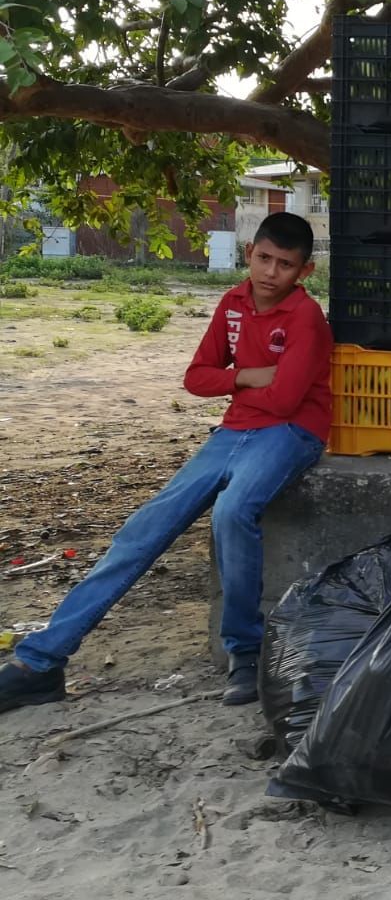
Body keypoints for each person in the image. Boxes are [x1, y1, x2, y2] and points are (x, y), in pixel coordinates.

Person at [0, 214, 330, 714]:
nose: (270, 272)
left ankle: (243, 652)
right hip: (234, 431)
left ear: (303, 272)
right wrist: (248, 376)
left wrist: (246, 382)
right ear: (248, 254)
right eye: (264, 258)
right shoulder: (232, 303)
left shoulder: (306, 317)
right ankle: (41, 662)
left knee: (232, 513)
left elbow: (286, 401)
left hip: (291, 433)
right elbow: (196, 378)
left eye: (285, 265)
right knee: (142, 530)